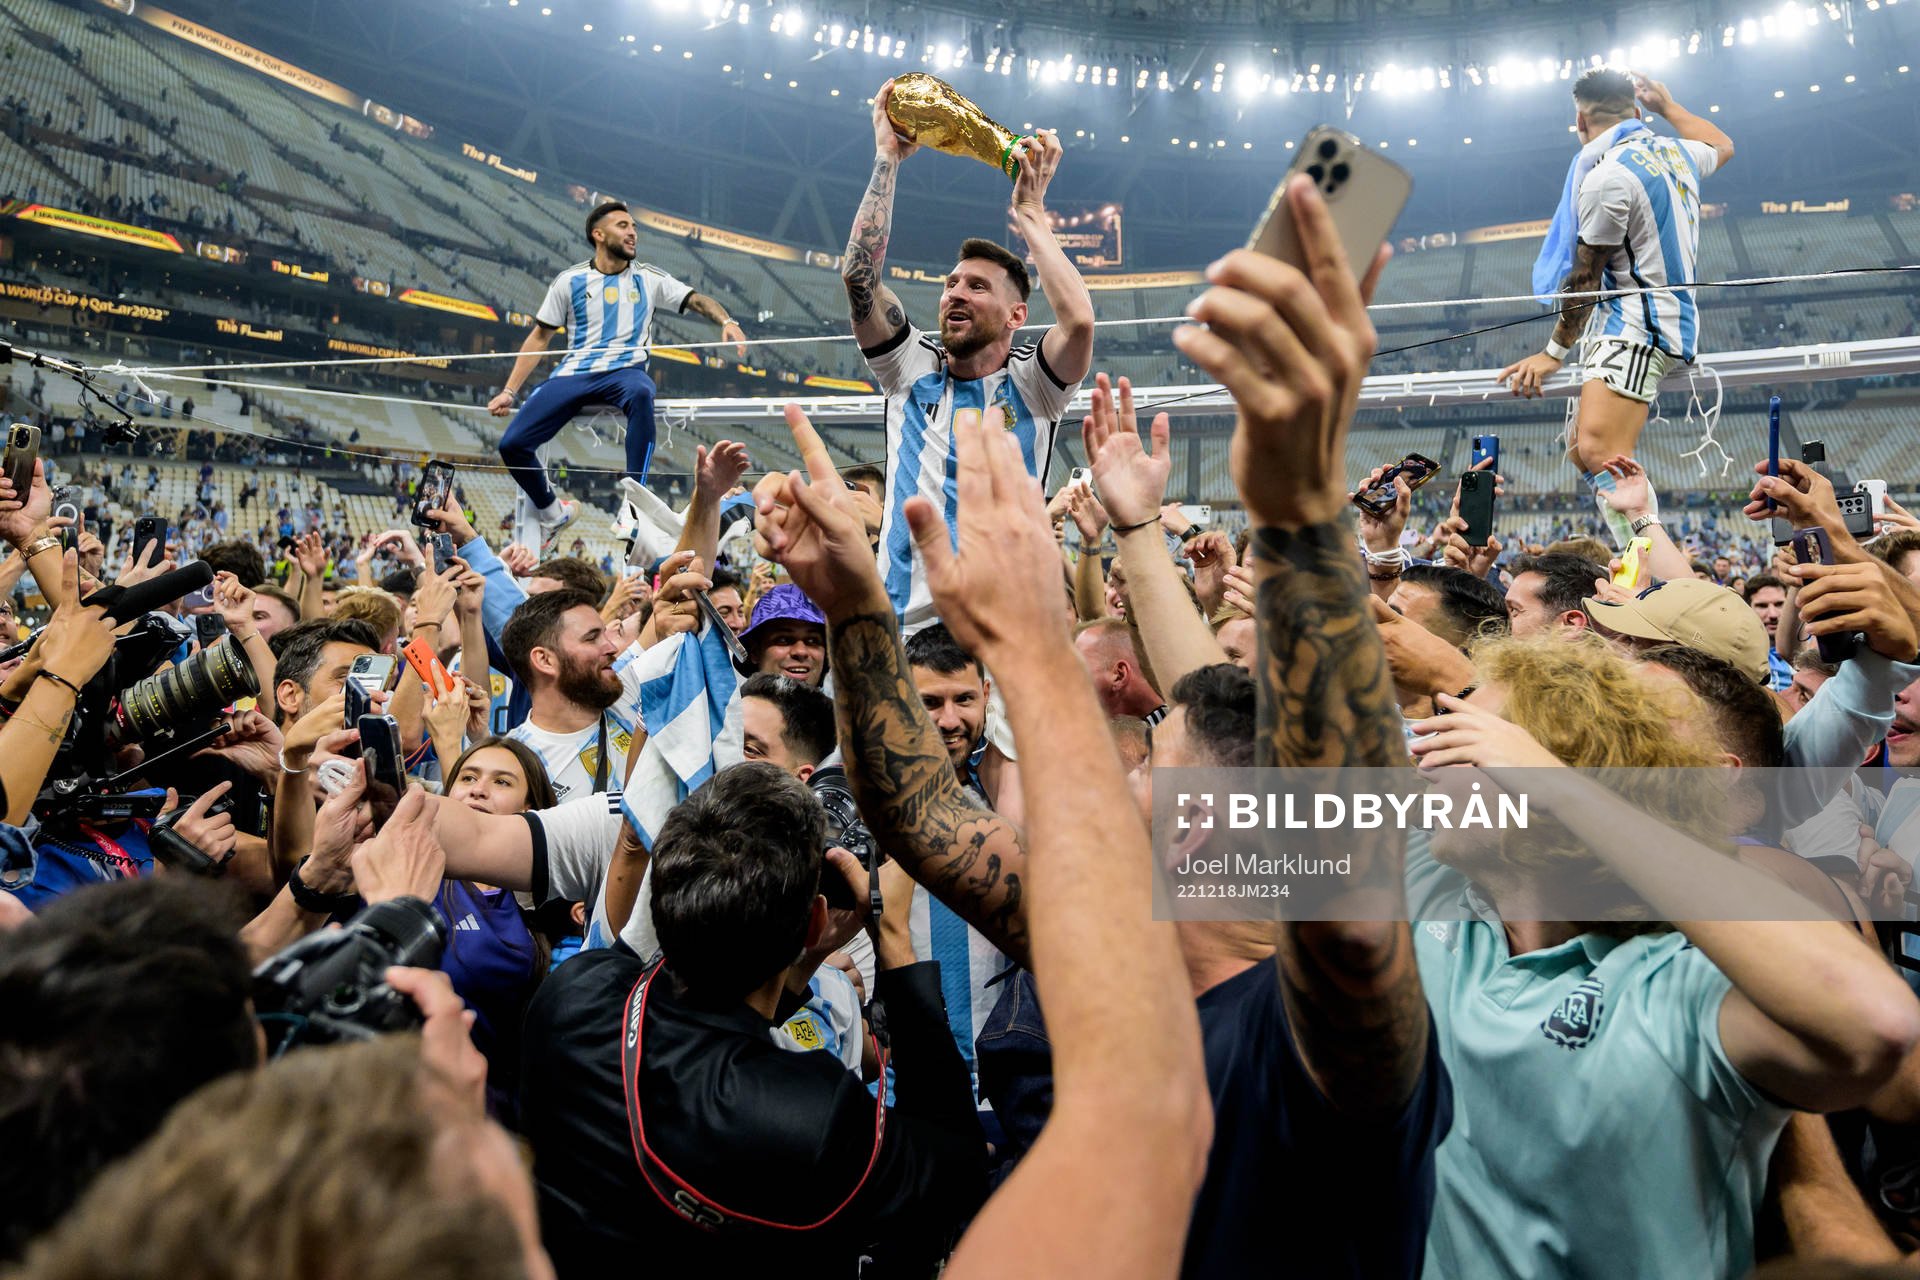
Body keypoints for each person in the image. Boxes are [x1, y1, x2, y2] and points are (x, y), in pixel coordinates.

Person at [519, 764, 986, 1274]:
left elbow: (700, 1030)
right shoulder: (811, 1115)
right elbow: (955, 1175)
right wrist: (892, 933)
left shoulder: (576, 995)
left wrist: (800, 961)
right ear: (814, 922)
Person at [842, 78, 1094, 632]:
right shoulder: (910, 367)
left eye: (977, 286)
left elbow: (1078, 321)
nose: (954, 292)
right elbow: (860, 277)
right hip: (903, 629)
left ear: (1016, 317)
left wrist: (1030, 213)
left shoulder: (1037, 384)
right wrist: (887, 157)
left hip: (1009, 635)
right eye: (951, 283)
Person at [1499, 68, 1735, 547]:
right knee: (1579, 449)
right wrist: (1668, 107)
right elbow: (1722, 144)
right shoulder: (1676, 152)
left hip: (1639, 328)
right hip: (1655, 323)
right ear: (1636, 112)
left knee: (1601, 450)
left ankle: (1657, 579)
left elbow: (1584, 279)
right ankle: (1638, 556)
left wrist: (1552, 353)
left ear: (1580, 121)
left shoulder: (1606, 178)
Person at [487, 201, 747, 546]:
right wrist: (509, 391)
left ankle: (632, 507)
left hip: (625, 372)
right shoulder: (570, 281)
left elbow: (697, 300)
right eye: (623, 225)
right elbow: (539, 337)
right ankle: (552, 512)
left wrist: (727, 321)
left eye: (634, 227)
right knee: (512, 444)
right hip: (573, 375)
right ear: (599, 234)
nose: (632, 232)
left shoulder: (649, 278)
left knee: (642, 392)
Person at [499, 589, 640, 801]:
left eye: (604, 634)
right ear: (545, 660)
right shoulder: (512, 763)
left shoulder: (624, 698)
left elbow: (665, 615)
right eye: (592, 638)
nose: (611, 647)